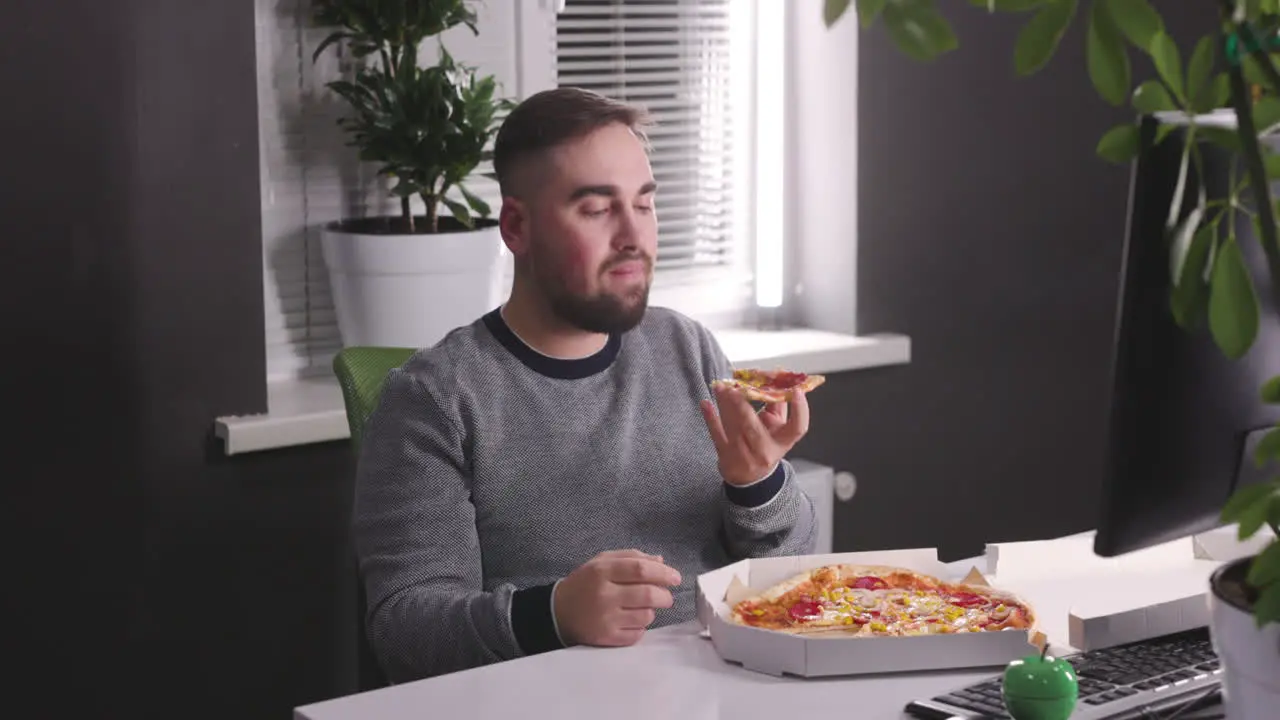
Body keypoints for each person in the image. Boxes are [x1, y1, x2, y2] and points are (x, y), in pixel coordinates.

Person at [352, 86, 818, 684]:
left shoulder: (688, 348)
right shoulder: (434, 399)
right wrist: (554, 615)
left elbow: (793, 576)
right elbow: (404, 631)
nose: (633, 236)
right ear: (516, 227)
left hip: (717, 694)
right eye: (598, 210)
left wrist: (756, 485)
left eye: (644, 205)